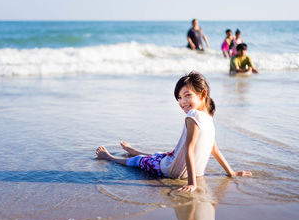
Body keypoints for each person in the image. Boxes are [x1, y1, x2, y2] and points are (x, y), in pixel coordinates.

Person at [96, 71, 252, 192]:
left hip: (172, 169)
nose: (182, 102)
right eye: (179, 97)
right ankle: (115, 156)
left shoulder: (195, 115)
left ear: (203, 94)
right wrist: (229, 173)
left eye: (187, 95)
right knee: (148, 159)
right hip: (177, 167)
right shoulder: (206, 117)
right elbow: (210, 149)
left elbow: (203, 149)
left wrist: (192, 183)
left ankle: (124, 154)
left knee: (146, 159)